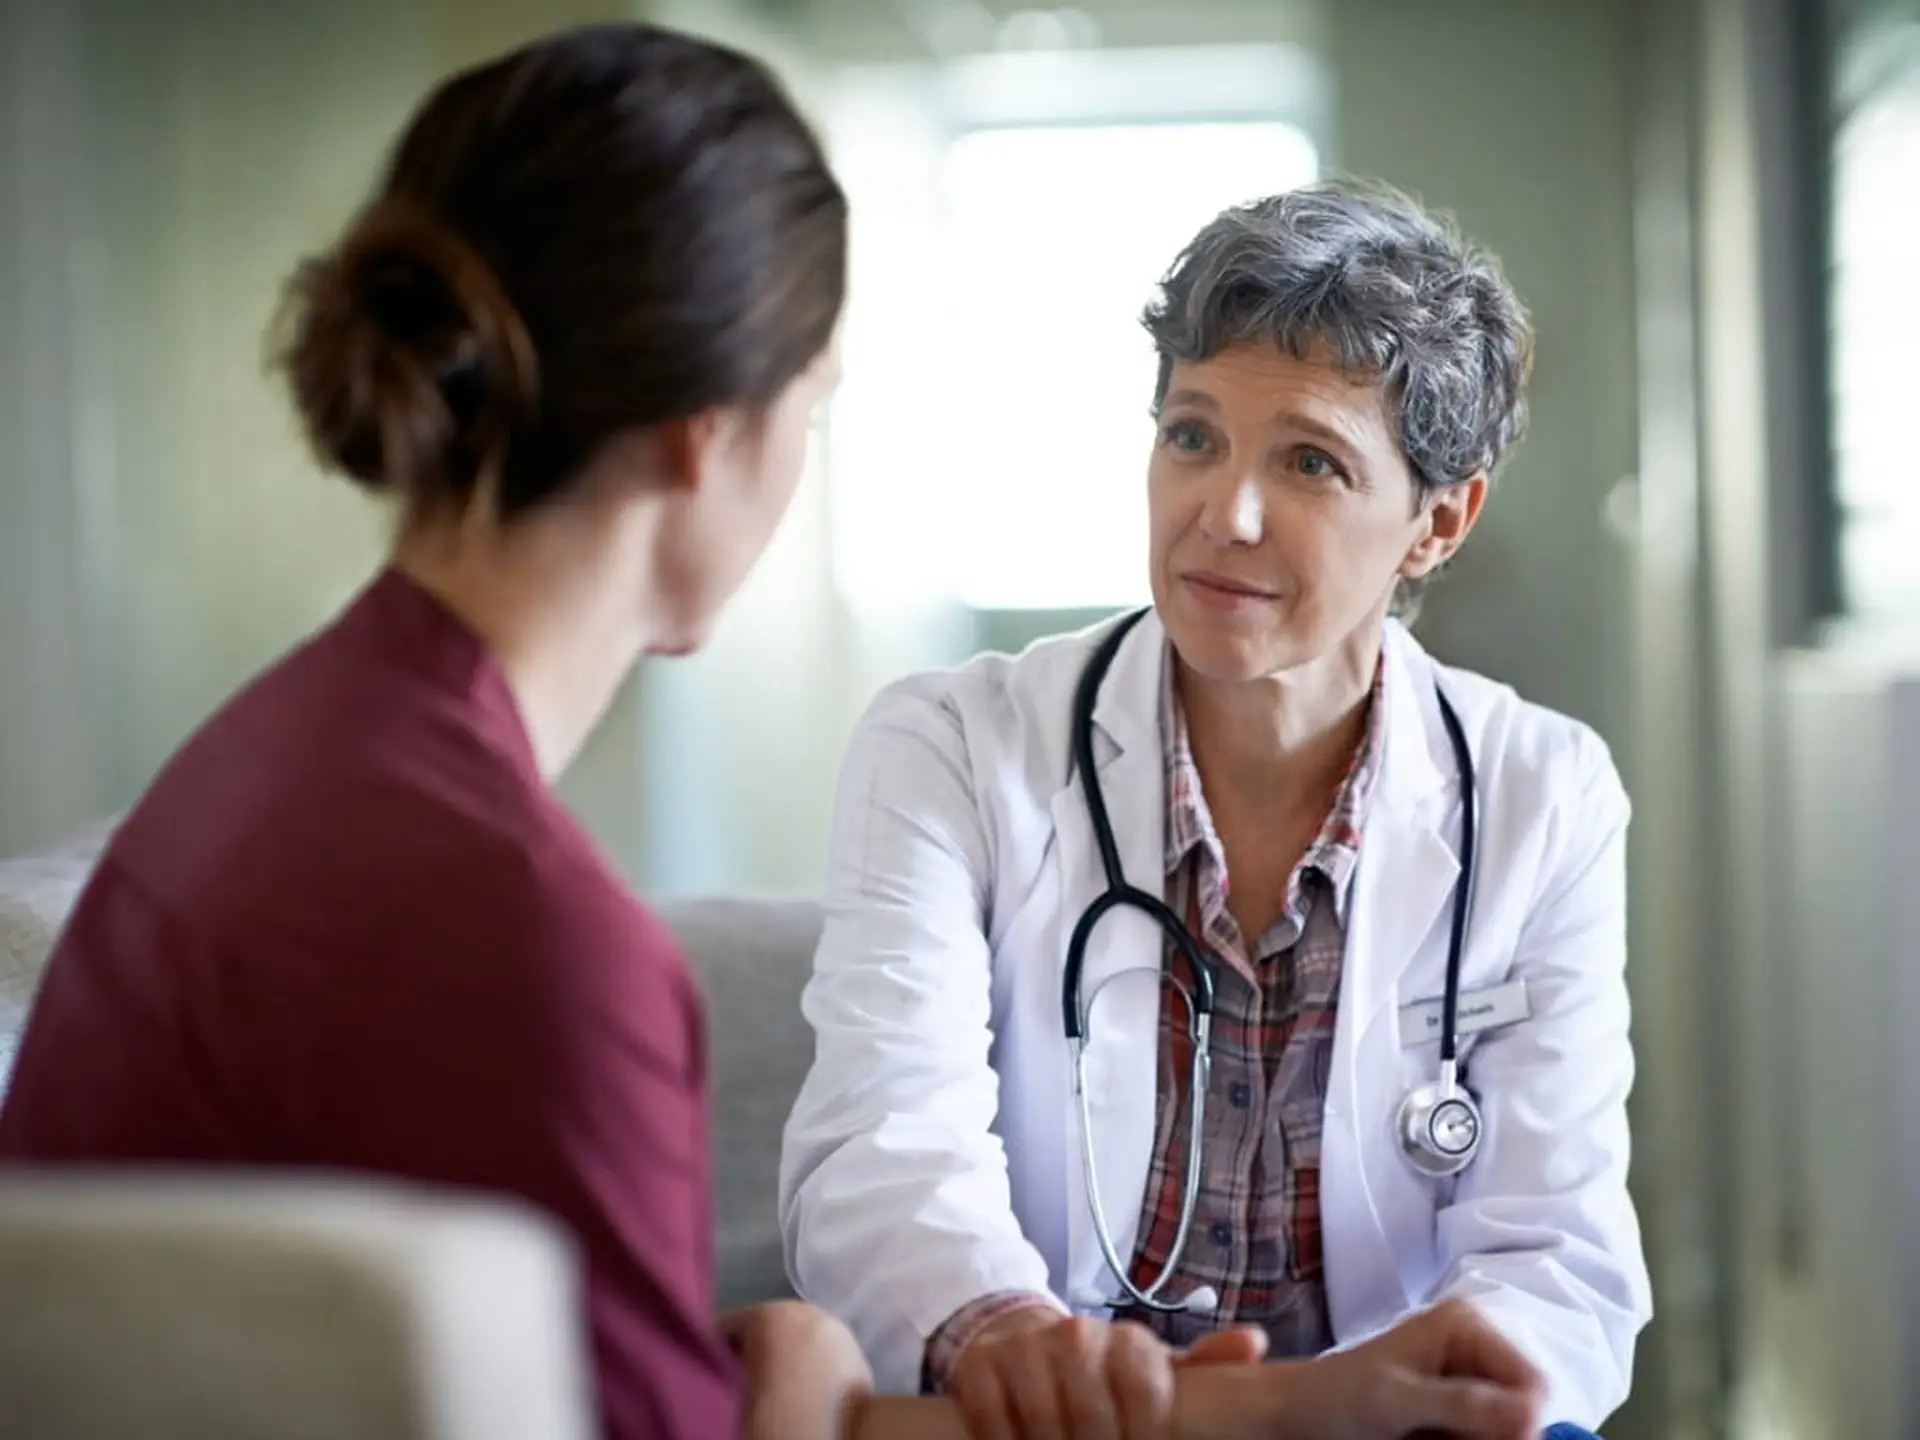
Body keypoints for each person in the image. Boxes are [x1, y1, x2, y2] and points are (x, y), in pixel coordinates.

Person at [0, 26, 1551, 1440]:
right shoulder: (531, 946)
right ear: (707, 439)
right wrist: (809, 1389)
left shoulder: (270, 757)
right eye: (815, 405)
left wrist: (792, 1370)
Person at [779, 178, 1652, 1440]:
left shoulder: (1542, 795)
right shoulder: (953, 749)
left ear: (1437, 522)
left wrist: (1461, 1396)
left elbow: (1553, 1252)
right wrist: (1004, 1334)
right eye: (1192, 436)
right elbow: (882, 1149)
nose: (1224, 515)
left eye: (1310, 462)